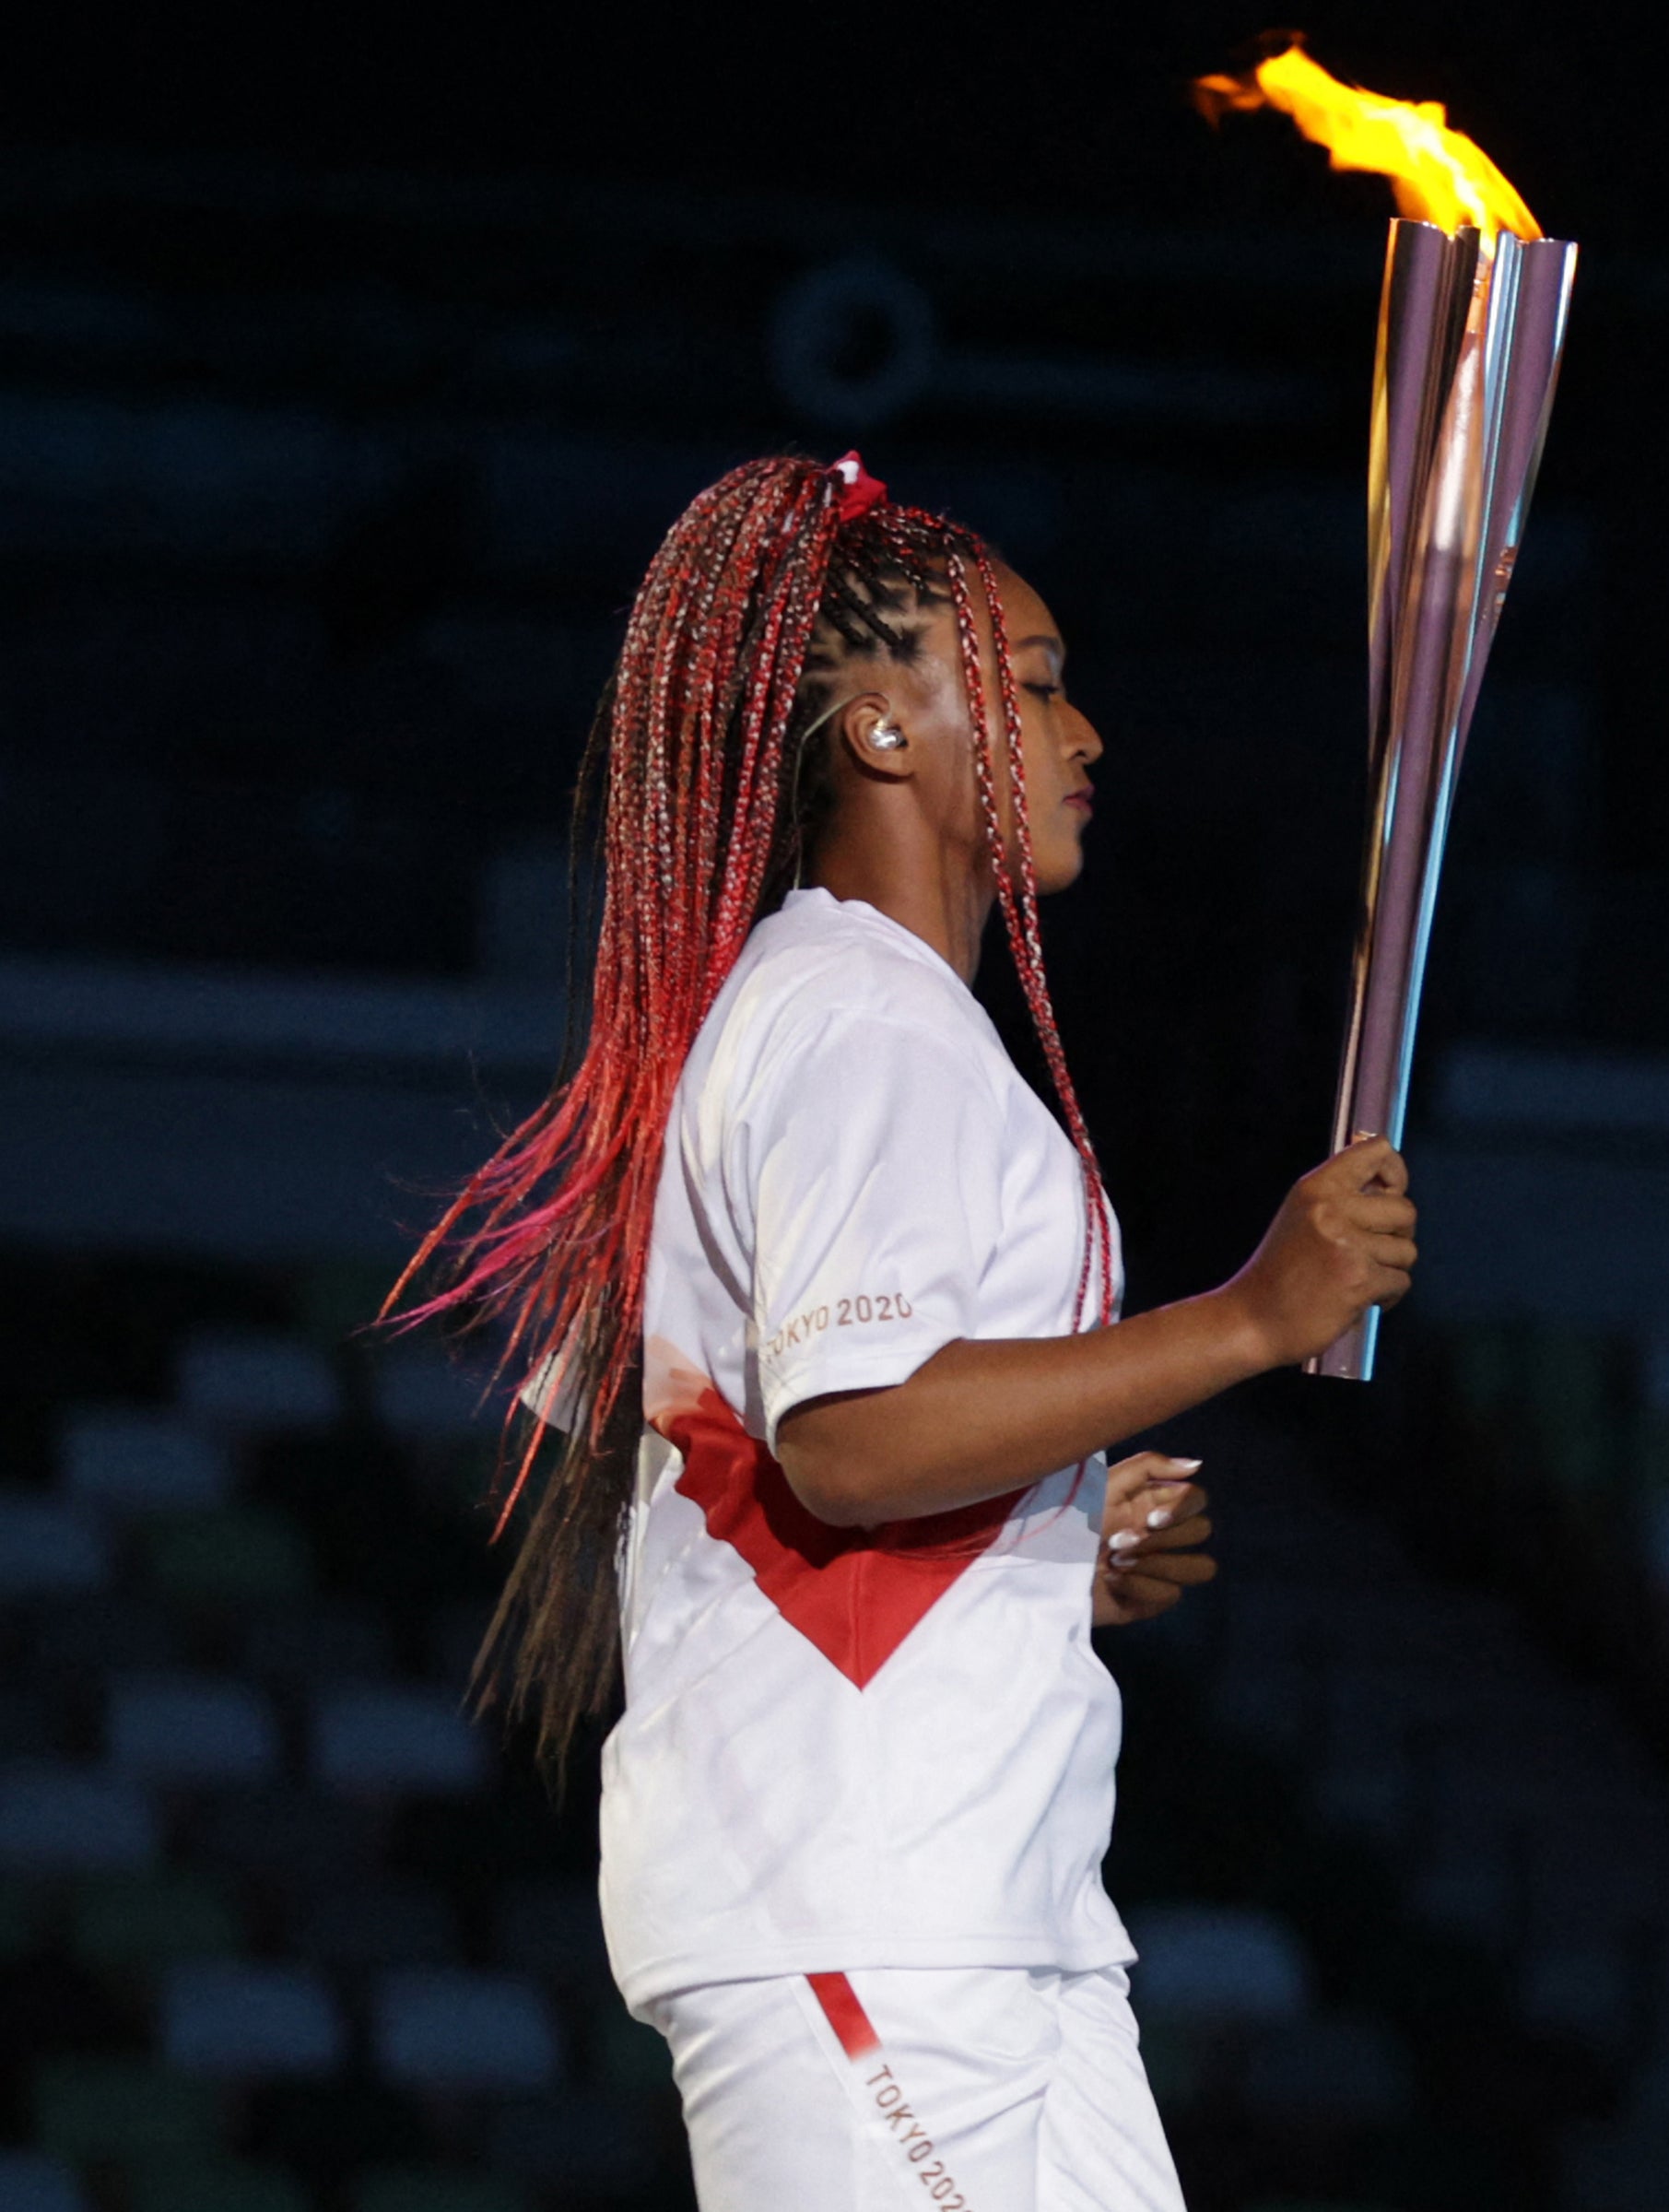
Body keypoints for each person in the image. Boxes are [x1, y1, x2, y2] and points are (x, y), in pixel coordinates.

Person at [394, 452, 1416, 2210]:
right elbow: (849, 1439)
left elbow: (798, 1458)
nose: (1083, 730)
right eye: (1026, 682)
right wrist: (1253, 1316)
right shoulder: (856, 1023)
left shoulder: (871, 1028)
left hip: (996, 1916)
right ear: (880, 731)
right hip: (864, 1904)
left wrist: (1050, 1542)